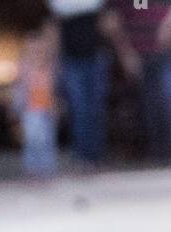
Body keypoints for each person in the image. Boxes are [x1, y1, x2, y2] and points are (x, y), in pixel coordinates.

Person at [107, 0, 171, 165]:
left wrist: (169, 28)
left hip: (165, 51)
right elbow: (113, 21)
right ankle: (157, 156)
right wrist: (125, 54)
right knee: (149, 104)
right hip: (137, 53)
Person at [47, 0, 110, 166]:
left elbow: (107, 22)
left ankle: (96, 156)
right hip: (71, 60)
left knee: (96, 107)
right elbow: (54, 29)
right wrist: (53, 63)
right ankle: (83, 157)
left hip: (95, 56)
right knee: (78, 107)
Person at [14, 19, 60, 176]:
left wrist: (55, 107)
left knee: (48, 141)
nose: (36, 53)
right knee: (33, 141)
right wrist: (18, 110)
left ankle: (47, 170)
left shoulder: (50, 69)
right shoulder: (24, 71)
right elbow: (18, 91)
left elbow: (53, 92)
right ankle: (32, 169)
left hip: (46, 111)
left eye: (40, 50)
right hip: (31, 112)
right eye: (32, 50)